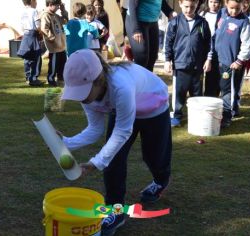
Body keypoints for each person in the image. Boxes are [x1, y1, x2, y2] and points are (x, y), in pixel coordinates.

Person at [60, 49, 172, 235]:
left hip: (152, 105)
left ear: (99, 80)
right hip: (121, 110)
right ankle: (115, 211)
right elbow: (94, 129)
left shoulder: (120, 86)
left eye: (84, 92)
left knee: (153, 155)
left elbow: (122, 131)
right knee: (113, 160)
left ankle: (161, 180)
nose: (82, 98)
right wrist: (64, 142)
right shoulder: (87, 94)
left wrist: (94, 163)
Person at [164, 0, 212, 127]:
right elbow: (168, 42)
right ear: (180, 4)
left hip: (198, 66)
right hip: (180, 65)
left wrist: (208, 59)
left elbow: (208, 43)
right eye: (186, 6)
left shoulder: (202, 23)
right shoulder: (175, 22)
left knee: (197, 93)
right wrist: (167, 60)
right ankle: (177, 115)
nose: (189, 9)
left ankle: (197, 116)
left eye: (192, 6)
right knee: (179, 93)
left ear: (197, 4)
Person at [212, 0, 250, 128]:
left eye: (237, 9)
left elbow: (247, 44)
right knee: (219, 86)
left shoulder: (244, 22)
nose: (234, 11)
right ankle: (226, 110)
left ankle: (227, 115)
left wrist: (239, 60)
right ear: (225, 4)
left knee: (228, 90)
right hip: (218, 59)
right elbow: (216, 33)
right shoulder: (222, 13)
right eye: (231, 8)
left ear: (243, 6)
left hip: (231, 64)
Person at [126, 0, 176, 71]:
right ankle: (137, 80)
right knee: (142, 58)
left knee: (153, 56)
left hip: (153, 22)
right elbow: (132, 5)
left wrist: (169, 12)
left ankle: (148, 80)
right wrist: (136, 29)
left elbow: (160, 1)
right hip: (137, 23)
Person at [199, 0, 223, 97]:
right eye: (211, 1)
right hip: (205, 47)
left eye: (216, 2)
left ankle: (214, 95)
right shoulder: (203, 14)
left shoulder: (223, 15)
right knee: (205, 74)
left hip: (218, 48)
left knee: (215, 74)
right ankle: (204, 95)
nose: (213, 4)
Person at [40, 0, 67, 87]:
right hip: (54, 46)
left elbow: (65, 21)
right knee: (54, 64)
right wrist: (52, 38)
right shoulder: (46, 15)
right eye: (57, 5)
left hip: (61, 45)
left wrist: (63, 10)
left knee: (62, 63)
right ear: (51, 5)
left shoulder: (56, 15)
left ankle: (61, 78)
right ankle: (51, 79)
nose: (59, 7)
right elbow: (44, 28)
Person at [17, 0, 43, 87]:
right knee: (37, 57)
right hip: (33, 34)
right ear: (31, 1)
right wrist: (40, 33)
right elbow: (38, 25)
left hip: (26, 35)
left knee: (27, 57)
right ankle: (34, 78)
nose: (36, 2)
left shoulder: (22, 12)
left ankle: (28, 77)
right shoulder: (34, 11)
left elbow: (22, 26)